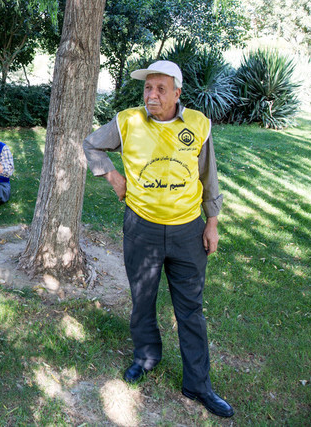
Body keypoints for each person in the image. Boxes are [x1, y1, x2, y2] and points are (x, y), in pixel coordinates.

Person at [83, 61, 233, 418]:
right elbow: (90, 145)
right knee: (142, 298)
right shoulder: (127, 120)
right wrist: (112, 177)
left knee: (191, 309)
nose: (151, 95)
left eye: (160, 89)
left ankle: (198, 384)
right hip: (142, 228)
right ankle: (146, 357)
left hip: (188, 231)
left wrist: (211, 223)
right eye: (148, 88)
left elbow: (209, 177)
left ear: (177, 93)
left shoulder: (197, 124)